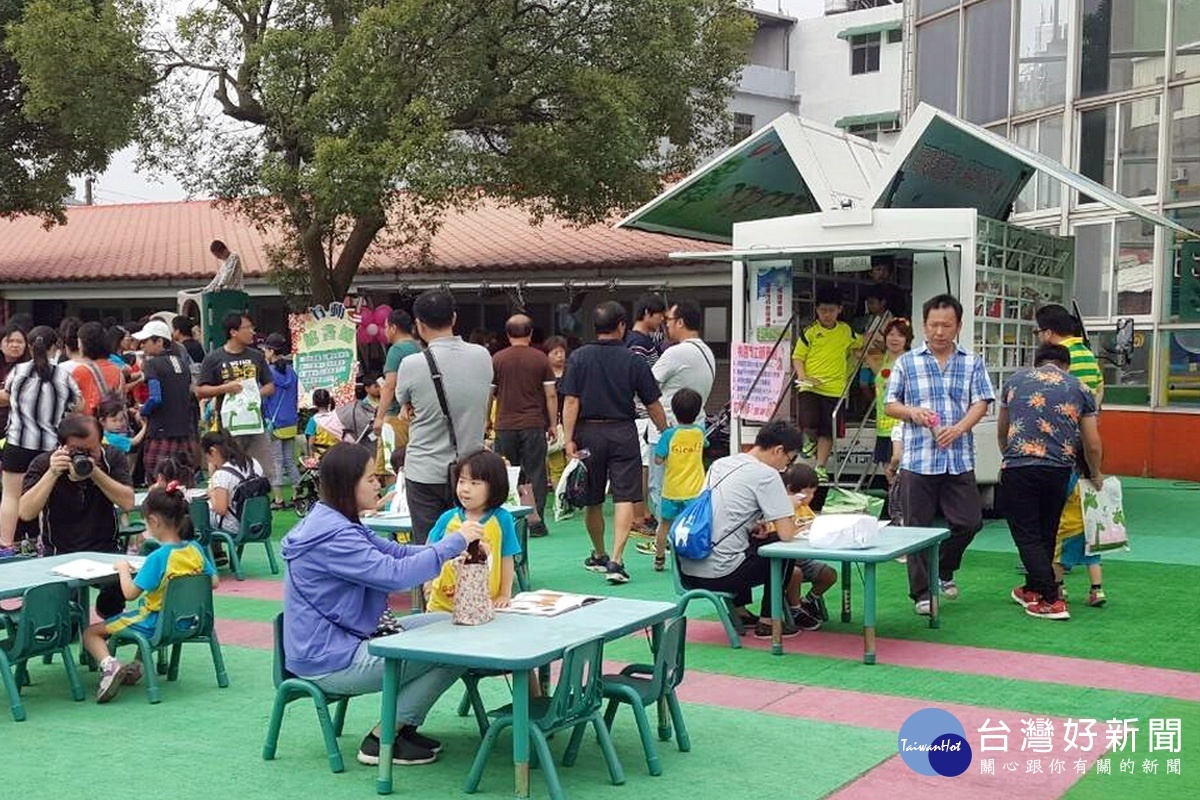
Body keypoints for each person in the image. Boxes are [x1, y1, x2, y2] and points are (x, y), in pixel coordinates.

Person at [280, 443, 481, 766]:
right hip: (333, 659)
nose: (379, 484)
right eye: (371, 478)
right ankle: (383, 737)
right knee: (455, 646)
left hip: (343, 641)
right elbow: (395, 575)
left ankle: (402, 727)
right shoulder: (335, 536)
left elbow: (396, 553)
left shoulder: (336, 521)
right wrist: (454, 543)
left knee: (449, 623)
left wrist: (445, 548)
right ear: (348, 484)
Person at [884, 294, 995, 615]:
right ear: (923, 325)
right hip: (918, 459)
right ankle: (921, 592)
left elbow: (982, 402)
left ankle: (944, 568)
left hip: (958, 458)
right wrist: (912, 413)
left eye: (947, 325)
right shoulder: (907, 362)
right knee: (915, 528)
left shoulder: (972, 362)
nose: (939, 331)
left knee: (969, 522)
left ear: (958, 326)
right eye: (933, 325)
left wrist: (959, 428)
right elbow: (890, 405)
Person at [81, 483, 218, 703]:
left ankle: (110, 665)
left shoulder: (157, 557)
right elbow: (213, 581)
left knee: (91, 633)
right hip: (191, 622)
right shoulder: (195, 549)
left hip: (157, 623)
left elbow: (129, 594)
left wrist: (124, 569)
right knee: (144, 624)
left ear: (153, 521)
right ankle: (136, 667)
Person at [562, 301, 667, 585]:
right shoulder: (633, 359)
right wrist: (665, 431)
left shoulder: (579, 357)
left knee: (592, 498)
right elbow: (652, 402)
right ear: (621, 325)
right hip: (623, 431)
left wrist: (568, 438)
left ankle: (598, 553)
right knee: (624, 496)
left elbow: (571, 401)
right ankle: (617, 561)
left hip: (588, 432)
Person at [999, 344, 1104, 621]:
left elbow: (1003, 430)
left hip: (1018, 465)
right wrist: (1095, 473)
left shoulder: (1014, 382)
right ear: (1065, 366)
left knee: (1027, 535)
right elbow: (1092, 442)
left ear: (1037, 363)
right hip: (1058, 470)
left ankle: (1051, 597)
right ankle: (1032, 589)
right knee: (1047, 531)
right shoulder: (1080, 388)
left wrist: (1009, 457)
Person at [677, 420, 803, 638]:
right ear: (778, 450)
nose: (785, 468)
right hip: (721, 575)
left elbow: (721, 512)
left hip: (688, 570)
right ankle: (768, 620)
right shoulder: (767, 474)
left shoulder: (721, 464)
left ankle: (740, 611)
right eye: (788, 461)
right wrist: (791, 509)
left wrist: (753, 525)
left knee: (745, 544)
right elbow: (786, 534)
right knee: (785, 552)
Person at [395, 290, 492, 544]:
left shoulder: (411, 364)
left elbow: (402, 398)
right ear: (454, 318)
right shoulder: (482, 356)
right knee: (472, 545)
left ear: (419, 325)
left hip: (424, 469)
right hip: (470, 471)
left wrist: (409, 406)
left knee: (429, 548)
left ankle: (429, 586)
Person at [19, 414, 135, 618]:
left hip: (105, 549)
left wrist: (95, 473)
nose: (85, 456)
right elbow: (26, 512)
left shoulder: (112, 457)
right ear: (61, 447)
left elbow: (128, 503)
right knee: (65, 626)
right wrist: (52, 474)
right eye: (77, 451)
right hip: (59, 552)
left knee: (112, 609)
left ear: (101, 443)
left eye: (92, 450)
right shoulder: (44, 463)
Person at [1033, 304, 1108, 606]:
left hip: (1060, 446)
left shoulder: (1060, 362)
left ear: (1049, 333)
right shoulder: (1088, 354)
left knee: (1056, 511)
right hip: (1086, 441)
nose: (1038, 337)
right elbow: (1099, 392)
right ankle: (1093, 583)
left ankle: (1052, 576)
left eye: (1039, 332)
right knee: (1084, 512)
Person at [0, 327, 81, 556]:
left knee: (10, 496)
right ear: (55, 346)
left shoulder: (18, 371)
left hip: (17, 442)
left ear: (29, 345)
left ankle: (6, 546)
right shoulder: (63, 375)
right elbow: (79, 405)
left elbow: (7, 394)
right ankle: (42, 544)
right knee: (45, 498)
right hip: (49, 447)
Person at [425, 450, 520, 611]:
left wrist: (504, 594)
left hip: (484, 605)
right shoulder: (447, 518)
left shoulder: (502, 519)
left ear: (495, 486)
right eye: (461, 481)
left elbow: (506, 558)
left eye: (474, 483)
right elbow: (430, 552)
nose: (465, 489)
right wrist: (427, 585)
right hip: (443, 605)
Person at [490, 314, 556, 538]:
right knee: (536, 472)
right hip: (533, 423)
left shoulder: (497, 359)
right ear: (530, 333)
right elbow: (551, 395)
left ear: (507, 334)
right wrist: (553, 423)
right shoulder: (541, 359)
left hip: (505, 424)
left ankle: (506, 521)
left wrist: (485, 422)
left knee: (506, 473)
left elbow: (488, 394)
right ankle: (535, 522)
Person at [648, 299, 716, 518]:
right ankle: (685, 534)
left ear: (680, 322)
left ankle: (665, 537)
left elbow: (647, 385)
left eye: (668, 320)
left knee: (661, 487)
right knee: (690, 486)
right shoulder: (707, 351)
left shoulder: (675, 353)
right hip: (696, 429)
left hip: (666, 427)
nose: (665, 324)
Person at [196, 311, 276, 486]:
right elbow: (200, 390)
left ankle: (260, 506)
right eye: (248, 328)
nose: (253, 332)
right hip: (229, 426)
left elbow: (270, 386)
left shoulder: (256, 356)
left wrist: (254, 393)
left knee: (264, 472)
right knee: (231, 470)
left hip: (256, 424)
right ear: (233, 332)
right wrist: (225, 388)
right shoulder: (214, 358)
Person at [791, 288, 864, 481]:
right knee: (808, 419)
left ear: (839, 310)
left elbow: (861, 344)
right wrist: (803, 376)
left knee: (827, 430)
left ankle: (820, 467)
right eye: (823, 310)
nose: (827, 315)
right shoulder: (810, 333)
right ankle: (807, 441)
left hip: (835, 389)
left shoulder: (846, 331)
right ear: (816, 310)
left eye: (831, 310)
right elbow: (797, 357)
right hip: (810, 386)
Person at [636, 388, 705, 572]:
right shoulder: (699, 433)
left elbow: (658, 460)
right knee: (693, 526)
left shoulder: (668, 435)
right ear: (697, 411)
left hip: (671, 490)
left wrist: (668, 459)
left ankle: (659, 558)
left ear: (673, 411)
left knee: (664, 526)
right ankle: (691, 560)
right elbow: (704, 445)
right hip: (694, 491)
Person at [134, 319, 198, 479]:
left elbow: (155, 398)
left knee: (159, 480)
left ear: (160, 341)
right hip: (185, 432)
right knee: (184, 480)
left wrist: (142, 410)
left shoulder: (153, 365)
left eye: (145, 341)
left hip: (161, 433)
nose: (142, 346)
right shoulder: (182, 364)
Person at [625, 293, 666, 536]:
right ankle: (639, 516)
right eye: (659, 314)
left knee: (643, 465)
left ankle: (642, 514)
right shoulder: (639, 343)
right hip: (641, 412)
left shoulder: (637, 340)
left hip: (642, 411)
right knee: (642, 466)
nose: (662, 320)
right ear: (647, 313)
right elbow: (639, 379)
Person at [779, 464, 836, 631]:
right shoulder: (782, 507)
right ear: (790, 489)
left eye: (813, 492)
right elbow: (782, 533)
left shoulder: (805, 509)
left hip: (805, 558)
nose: (810, 497)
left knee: (829, 574)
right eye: (806, 492)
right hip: (787, 560)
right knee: (794, 573)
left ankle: (809, 600)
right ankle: (795, 610)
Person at [373, 308, 420, 463]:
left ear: (393, 328)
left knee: (390, 464)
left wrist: (379, 418)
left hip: (395, 415)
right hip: (415, 414)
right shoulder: (419, 347)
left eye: (386, 327)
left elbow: (389, 386)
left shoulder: (396, 350)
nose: (385, 331)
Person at [867, 318, 912, 476]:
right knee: (889, 474)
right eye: (891, 334)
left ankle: (902, 500)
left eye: (900, 335)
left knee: (900, 471)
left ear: (907, 339)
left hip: (900, 425)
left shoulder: (909, 361)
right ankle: (895, 500)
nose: (895, 339)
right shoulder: (885, 359)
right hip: (883, 424)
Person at [201, 429, 266, 539]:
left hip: (235, 526)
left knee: (197, 516)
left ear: (213, 451)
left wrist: (211, 492)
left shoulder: (222, 474)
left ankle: (214, 554)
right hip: (259, 523)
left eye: (206, 456)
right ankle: (218, 554)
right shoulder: (253, 462)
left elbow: (220, 509)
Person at [262, 332, 301, 509]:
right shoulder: (292, 372)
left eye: (266, 350)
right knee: (290, 460)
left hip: (275, 423)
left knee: (276, 461)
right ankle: (296, 494)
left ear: (271, 351)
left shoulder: (268, 374)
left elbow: (263, 398)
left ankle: (278, 499)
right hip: (291, 422)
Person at [72, 321, 125, 416]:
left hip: (89, 424)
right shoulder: (117, 370)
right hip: (113, 424)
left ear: (85, 345)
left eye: (79, 342)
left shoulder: (81, 371)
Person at [543, 336, 570, 489]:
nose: (560, 356)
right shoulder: (545, 375)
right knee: (556, 464)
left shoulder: (571, 372)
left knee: (572, 460)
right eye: (555, 353)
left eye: (562, 352)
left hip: (570, 421)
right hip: (552, 423)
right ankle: (559, 496)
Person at [0, 323, 29, 438]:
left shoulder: (30, 368)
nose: (15, 345)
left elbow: (20, 398)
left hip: (17, 429)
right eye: (9, 341)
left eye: (19, 342)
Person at [340, 370, 381, 445]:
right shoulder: (362, 405)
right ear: (367, 389)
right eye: (376, 386)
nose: (379, 389)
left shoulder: (384, 401)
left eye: (380, 386)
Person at [306, 388, 346, 457]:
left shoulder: (313, 420)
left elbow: (311, 444)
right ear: (329, 401)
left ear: (314, 402)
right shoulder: (337, 417)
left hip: (320, 458)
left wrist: (312, 459)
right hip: (337, 455)